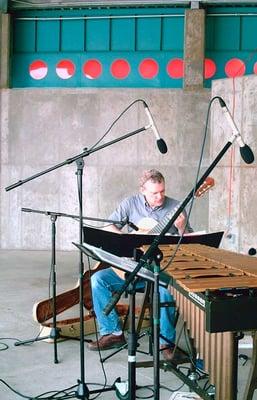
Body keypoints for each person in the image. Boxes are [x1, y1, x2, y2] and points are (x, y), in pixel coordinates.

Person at [88, 169, 193, 361]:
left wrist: (180, 227)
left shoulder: (177, 206)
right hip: (132, 269)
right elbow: (107, 226)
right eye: (154, 193)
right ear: (142, 190)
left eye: (162, 191)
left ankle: (165, 344)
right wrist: (125, 241)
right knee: (97, 280)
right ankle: (113, 333)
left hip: (161, 270)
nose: (160, 196)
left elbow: (188, 243)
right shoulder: (130, 203)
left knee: (166, 290)